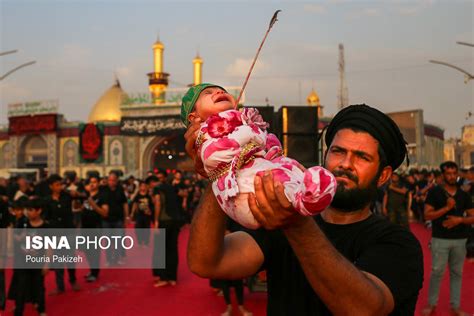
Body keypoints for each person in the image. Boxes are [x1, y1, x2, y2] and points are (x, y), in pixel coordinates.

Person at [187, 104, 424, 315]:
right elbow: (206, 263)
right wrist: (220, 168)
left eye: (361, 157)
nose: (345, 164)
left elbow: (363, 309)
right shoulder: (281, 222)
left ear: (383, 175)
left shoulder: (398, 243)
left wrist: (297, 225)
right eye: (338, 151)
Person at [180, 83, 336, 229]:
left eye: (222, 91)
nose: (219, 92)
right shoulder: (206, 135)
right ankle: (305, 199)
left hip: (257, 169)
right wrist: (250, 134)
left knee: (288, 166)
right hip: (246, 193)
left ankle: (308, 187)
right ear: (194, 118)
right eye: (208, 93)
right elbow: (215, 155)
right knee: (274, 180)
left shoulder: (241, 124)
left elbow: (266, 144)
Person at [422, 161, 474, 316]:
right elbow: (427, 215)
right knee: (437, 271)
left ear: (457, 174)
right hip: (440, 239)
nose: (452, 176)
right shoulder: (435, 193)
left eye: (454, 173)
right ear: (443, 175)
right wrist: (446, 208)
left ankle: (455, 306)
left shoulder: (464, 194)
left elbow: (473, 216)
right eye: (448, 173)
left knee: (457, 273)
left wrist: (459, 220)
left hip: (460, 240)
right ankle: (431, 304)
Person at [8, 198, 49, 316]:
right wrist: (20, 237)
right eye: (27, 210)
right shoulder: (23, 223)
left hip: (37, 261)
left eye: (30, 210)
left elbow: (49, 247)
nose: (28, 212)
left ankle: (41, 309)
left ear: (39, 211)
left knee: (39, 286)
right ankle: (19, 311)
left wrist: (47, 263)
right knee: (21, 287)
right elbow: (15, 237)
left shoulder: (46, 227)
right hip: (22, 261)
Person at [43, 174, 81, 295]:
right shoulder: (47, 200)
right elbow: (46, 217)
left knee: (70, 258)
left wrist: (77, 194)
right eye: (57, 185)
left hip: (68, 231)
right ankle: (60, 286)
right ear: (51, 186)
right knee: (58, 260)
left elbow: (83, 198)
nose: (59, 187)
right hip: (55, 233)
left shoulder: (67, 196)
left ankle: (73, 280)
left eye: (60, 184)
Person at [152, 169, 183, 287]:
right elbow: (182, 195)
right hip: (175, 221)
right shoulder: (172, 187)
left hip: (164, 221)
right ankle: (173, 278)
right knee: (173, 250)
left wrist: (156, 222)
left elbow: (158, 204)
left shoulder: (157, 188)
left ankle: (164, 278)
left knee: (161, 251)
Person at [82, 175, 109, 282]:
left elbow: (105, 213)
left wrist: (93, 204)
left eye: (94, 182)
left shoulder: (102, 196)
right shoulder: (86, 195)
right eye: (90, 182)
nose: (92, 184)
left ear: (98, 183)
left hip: (96, 227)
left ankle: (95, 272)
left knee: (94, 250)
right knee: (86, 250)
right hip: (85, 226)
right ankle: (92, 269)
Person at [102, 172, 129, 266]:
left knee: (118, 240)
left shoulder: (120, 189)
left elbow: (125, 204)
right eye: (109, 180)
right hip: (106, 220)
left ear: (117, 181)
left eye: (113, 180)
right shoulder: (103, 189)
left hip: (118, 219)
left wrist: (127, 217)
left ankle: (117, 258)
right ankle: (109, 259)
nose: (111, 182)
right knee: (108, 241)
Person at [130, 181, 153, 246]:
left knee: (147, 229)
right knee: (138, 228)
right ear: (139, 187)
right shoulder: (137, 195)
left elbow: (152, 204)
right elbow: (134, 204)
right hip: (139, 214)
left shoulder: (149, 196)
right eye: (142, 186)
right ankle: (140, 241)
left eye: (144, 186)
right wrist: (132, 213)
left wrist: (150, 211)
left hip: (147, 215)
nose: (143, 188)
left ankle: (146, 242)